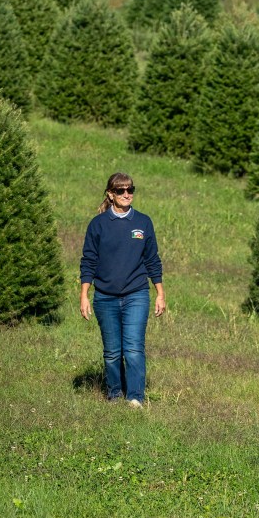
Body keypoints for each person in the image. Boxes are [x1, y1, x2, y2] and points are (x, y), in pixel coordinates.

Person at [79, 172, 165, 407]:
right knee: (112, 352)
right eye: (120, 190)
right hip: (105, 297)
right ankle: (115, 395)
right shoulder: (98, 225)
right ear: (110, 194)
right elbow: (88, 261)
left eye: (130, 190)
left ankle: (135, 397)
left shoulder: (143, 222)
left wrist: (160, 293)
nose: (126, 194)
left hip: (136, 295)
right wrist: (84, 295)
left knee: (134, 349)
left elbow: (152, 260)